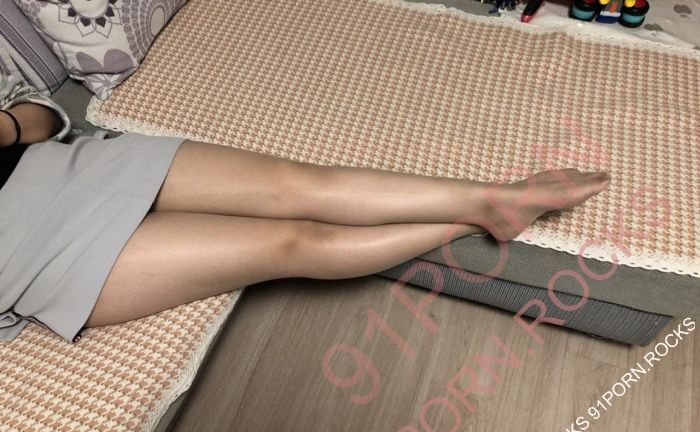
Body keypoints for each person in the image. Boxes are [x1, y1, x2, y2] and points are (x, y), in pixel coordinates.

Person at [0, 72, 610, 343]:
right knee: (294, 241)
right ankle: (478, 217)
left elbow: (43, 115)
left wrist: (5, 126)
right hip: (29, 254)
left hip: (65, 166)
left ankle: (496, 198)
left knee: (299, 183)